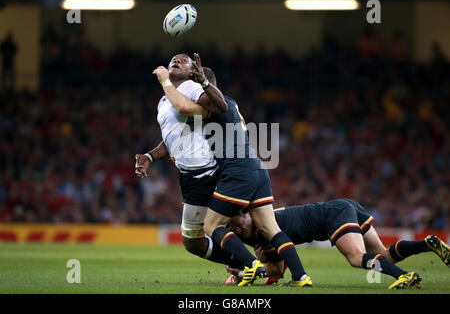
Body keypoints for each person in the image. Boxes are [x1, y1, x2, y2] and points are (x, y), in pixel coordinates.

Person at [153, 61, 311, 287]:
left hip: (237, 171)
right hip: (257, 166)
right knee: (271, 228)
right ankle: (300, 276)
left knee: (211, 226)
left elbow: (183, 108)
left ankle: (251, 264)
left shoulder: (211, 106)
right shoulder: (230, 102)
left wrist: (166, 82)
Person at [135, 53, 241, 269]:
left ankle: (260, 261)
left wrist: (184, 80)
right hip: (190, 177)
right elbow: (172, 138)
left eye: (183, 60)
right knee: (193, 242)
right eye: (173, 59)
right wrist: (150, 156)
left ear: (192, 71)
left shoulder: (191, 88)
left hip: (206, 170)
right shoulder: (164, 100)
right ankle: (239, 263)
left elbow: (217, 104)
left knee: (236, 225)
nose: (176, 61)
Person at [226, 198, 449, 289]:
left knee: (356, 258)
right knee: (383, 254)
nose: (239, 230)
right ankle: (427, 244)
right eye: (235, 230)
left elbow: (274, 268)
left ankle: (403, 275)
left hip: (334, 215)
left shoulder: (264, 229)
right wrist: (253, 270)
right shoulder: (264, 223)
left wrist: (248, 270)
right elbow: (275, 269)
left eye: (239, 223)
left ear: (247, 213)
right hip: (342, 206)